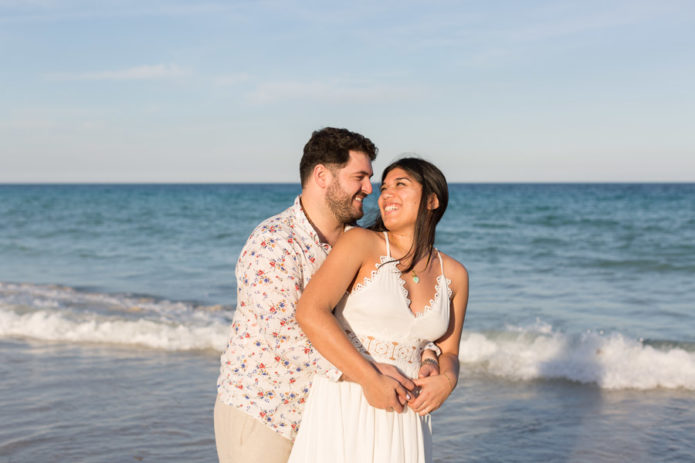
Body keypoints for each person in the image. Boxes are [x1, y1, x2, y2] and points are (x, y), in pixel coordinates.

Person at [215, 129, 439, 463]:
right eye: (359, 177)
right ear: (322, 176)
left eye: (369, 178)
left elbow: (398, 314)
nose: (369, 188)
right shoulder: (274, 243)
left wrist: (430, 355)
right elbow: (284, 334)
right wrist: (368, 374)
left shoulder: (366, 244)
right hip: (268, 414)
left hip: (333, 421)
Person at [288, 157, 469, 463]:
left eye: (401, 184)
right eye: (384, 187)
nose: (386, 194)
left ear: (432, 200)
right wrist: (370, 378)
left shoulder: (454, 273)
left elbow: (448, 352)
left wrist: (446, 381)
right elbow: (310, 311)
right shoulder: (360, 242)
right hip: (348, 399)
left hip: (408, 414)